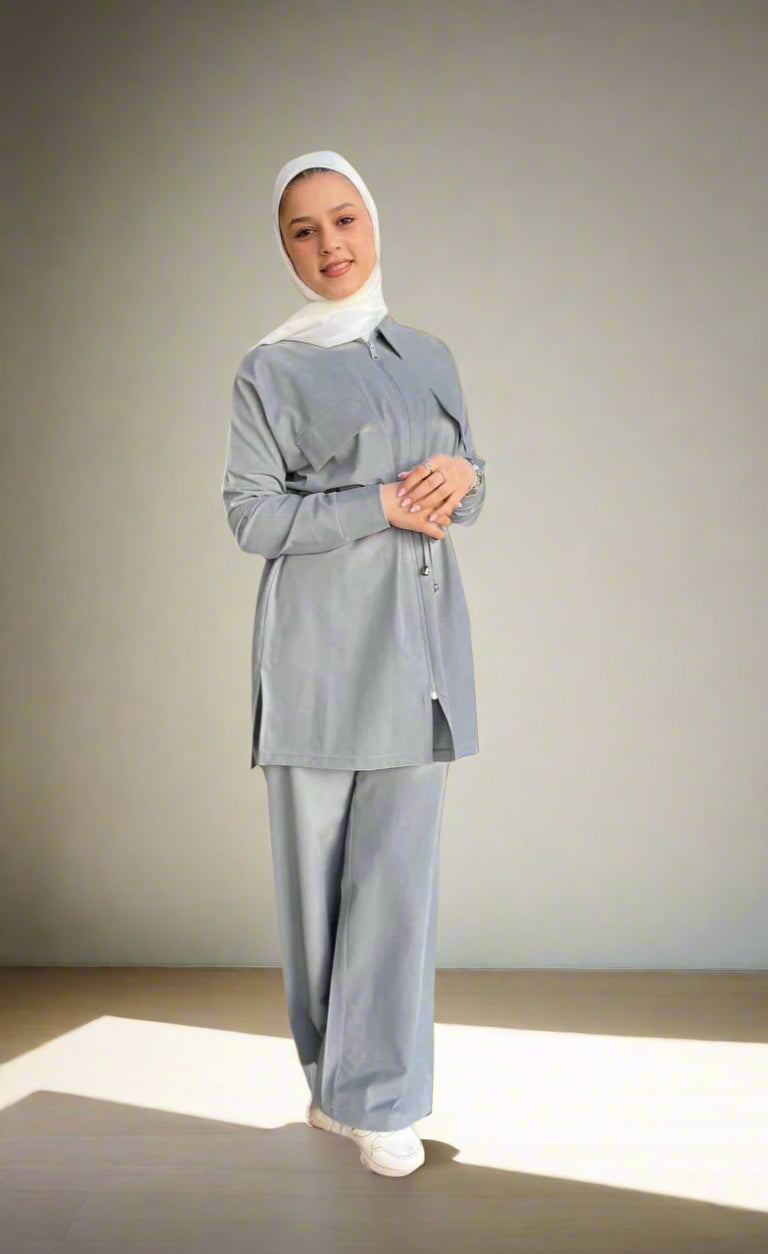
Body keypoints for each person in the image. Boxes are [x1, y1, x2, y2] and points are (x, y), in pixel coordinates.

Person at [221, 150, 487, 1177]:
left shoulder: (428, 354)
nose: (329, 243)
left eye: (343, 219)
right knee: (318, 892)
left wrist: (462, 475)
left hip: (419, 654)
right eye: (303, 230)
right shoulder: (270, 369)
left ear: (372, 222)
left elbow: (469, 482)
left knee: (396, 889)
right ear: (285, 249)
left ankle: (380, 1098)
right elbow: (251, 516)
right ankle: (335, 1087)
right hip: (318, 657)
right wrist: (374, 503)